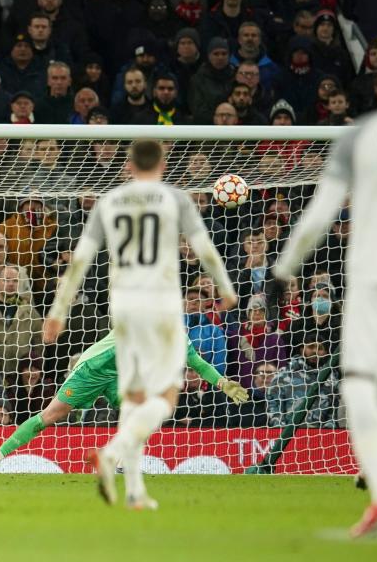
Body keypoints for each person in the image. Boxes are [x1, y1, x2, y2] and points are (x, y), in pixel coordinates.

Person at [270, 49, 377, 538]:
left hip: (375, 273)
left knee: (358, 378)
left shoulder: (360, 138)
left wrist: (283, 270)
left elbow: (319, 215)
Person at [43, 139, 236, 508]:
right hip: (161, 305)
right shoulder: (175, 199)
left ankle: (134, 491)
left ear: (129, 165)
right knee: (165, 396)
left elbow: (80, 261)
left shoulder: (109, 202)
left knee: (132, 397)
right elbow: (204, 248)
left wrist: (57, 311)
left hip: (125, 309)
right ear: (163, 163)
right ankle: (113, 454)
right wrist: (225, 289)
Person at [0, 328, 247, 472]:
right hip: (93, 369)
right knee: (49, 417)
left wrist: (223, 384)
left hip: (119, 375)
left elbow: (197, 363)